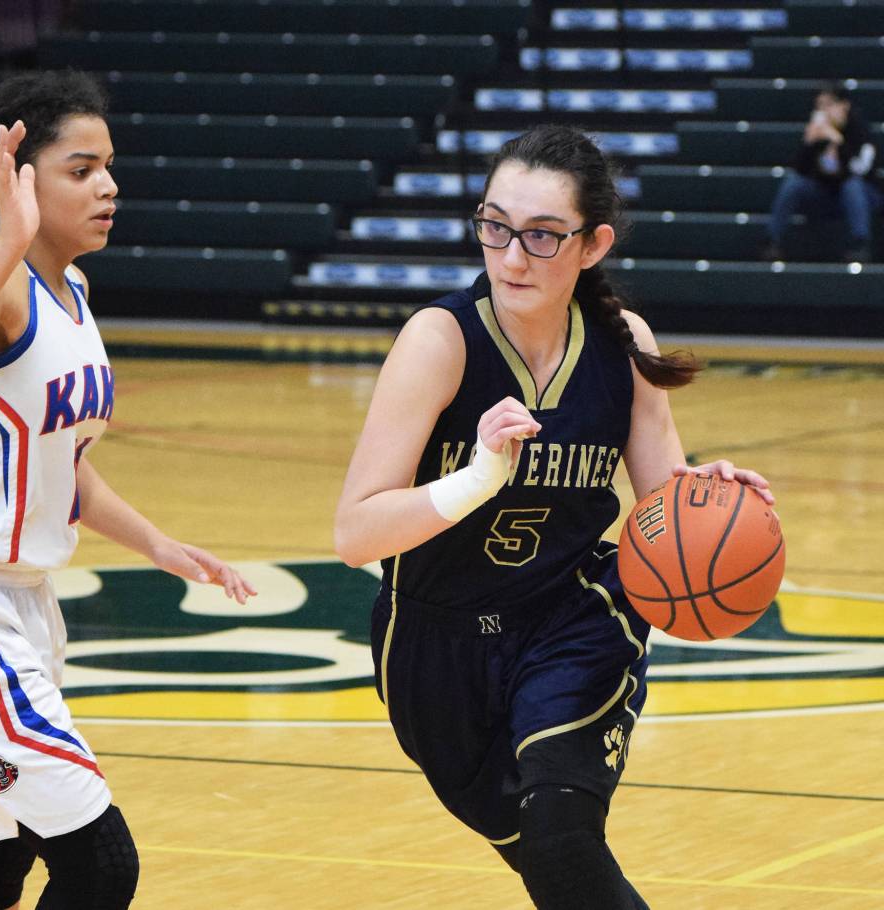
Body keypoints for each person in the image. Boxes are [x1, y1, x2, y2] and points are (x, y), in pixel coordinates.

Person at [334, 124, 774, 909]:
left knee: (564, 835)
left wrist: (705, 498)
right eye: (495, 227)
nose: (509, 257)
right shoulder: (440, 341)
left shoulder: (621, 342)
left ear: (592, 244)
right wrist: (476, 478)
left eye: (541, 236)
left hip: (573, 619)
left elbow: (661, 503)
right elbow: (355, 532)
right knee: (553, 867)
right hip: (436, 648)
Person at [0, 70, 256, 910]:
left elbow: (61, 463)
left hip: (21, 606)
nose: (109, 185)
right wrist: (8, 237)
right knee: (99, 864)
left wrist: (158, 544)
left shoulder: (72, 289)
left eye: (108, 166)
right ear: (20, 178)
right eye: (81, 169)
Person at [765, 82, 882, 262]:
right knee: (794, 183)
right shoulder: (818, 132)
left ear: (844, 105)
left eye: (829, 105)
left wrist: (839, 143)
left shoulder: (860, 131)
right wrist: (808, 144)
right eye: (820, 106)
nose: (824, 111)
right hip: (826, 195)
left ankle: (860, 244)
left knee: (852, 186)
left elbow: (861, 171)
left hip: (862, 196)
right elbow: (800, 170)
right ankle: (772, 241)